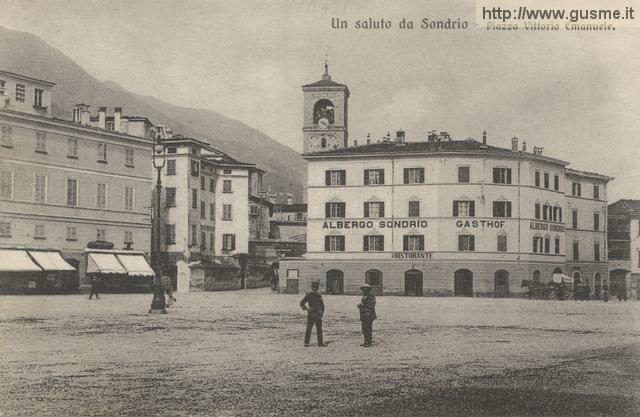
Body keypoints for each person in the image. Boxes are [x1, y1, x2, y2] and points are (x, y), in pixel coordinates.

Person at [299, 281, 327, 347]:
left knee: (318, 329)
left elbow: (322, 306)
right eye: (314, 287)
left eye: (316, 287)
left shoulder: (318, 296)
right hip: (312, 314)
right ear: (312, 288)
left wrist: (321, 313)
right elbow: (301, 303)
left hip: (317, 314)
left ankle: (319, 343)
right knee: (310, 329)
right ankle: (307, 343)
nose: (315, 289)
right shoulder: (309, 295)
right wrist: (307, 309)